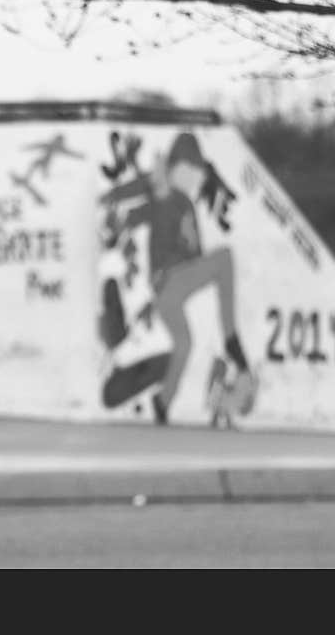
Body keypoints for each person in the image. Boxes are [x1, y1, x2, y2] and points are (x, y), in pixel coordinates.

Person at [101, 133, 256, 425]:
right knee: (224, 259)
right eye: (186, 172)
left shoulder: (187, 205)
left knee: (184, 344)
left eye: (195, 174)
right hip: (169, 280)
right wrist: (113, 204)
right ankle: (230, 337)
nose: (191, 179)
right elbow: (140, 193)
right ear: (173, 169)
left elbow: (192, 251)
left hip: (168, 292)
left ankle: (162, 402)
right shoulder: (165, 196)